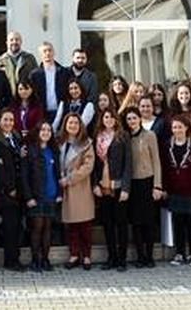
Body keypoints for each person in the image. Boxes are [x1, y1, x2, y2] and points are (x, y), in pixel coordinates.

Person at [92, 108, 131, 271]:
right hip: (103, 186)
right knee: (107, 224)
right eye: (106, 117)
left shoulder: (123, 136)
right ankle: (112, 257)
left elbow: (128, 163)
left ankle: (122, 259)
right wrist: (95, 184)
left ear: (116, 119)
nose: (108, 119)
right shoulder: (97, 137)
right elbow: (94, 164)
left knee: (121, 223)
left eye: (111, 117)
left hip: (118, 185)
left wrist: (126, 188)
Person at [122, 107, 162, 268]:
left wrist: (157, 185)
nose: (131, 121)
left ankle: (149, 256)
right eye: (129, 119)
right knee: (136, 222)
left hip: (148, 181)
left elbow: (156, 161)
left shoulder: (150, 135)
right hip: (132, 183)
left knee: (149, 221)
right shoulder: (125, 138)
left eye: (134, 118)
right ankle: (140, 256)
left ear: (139, 118)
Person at [163, 115, 191, 267]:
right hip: (174, 192)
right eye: (174, 127)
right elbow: (165, 168)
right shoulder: (167, 145)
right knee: (178, 225)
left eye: (180, 127)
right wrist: (165, 189)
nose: (177, 130)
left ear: (186, 128)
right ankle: (179, 253)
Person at [20, 122, 61, 272]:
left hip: (51, 195)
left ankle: (45, 259)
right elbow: (24, 176)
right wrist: (28, 197)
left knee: (48, 228)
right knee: (37, 228)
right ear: (37, 132)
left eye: (49, 130)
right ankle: (35, 260)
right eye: (42, 129)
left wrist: (59, 193)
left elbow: (57, 173)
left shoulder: (54, 150)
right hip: (36, 196)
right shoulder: (29, 150)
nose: (46, 132)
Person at [0, 109, 26, 271]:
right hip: (6, 190)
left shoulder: (16, 137)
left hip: (19, 188)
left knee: (17, 225)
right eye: (5, 119)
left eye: (11, 120)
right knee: (10, 226)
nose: (9, 123)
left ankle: (15, 258)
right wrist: (9, 188)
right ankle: (10, 261)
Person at [58, 112, 95, 270]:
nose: (72, 125)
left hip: (80, 187)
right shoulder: (59, 142)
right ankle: (74, 255)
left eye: (75, 123)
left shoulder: (86, 143)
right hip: (64, 189)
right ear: (65, 125)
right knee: (71, 225)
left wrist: (70, 179)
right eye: (70, 123)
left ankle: (86, 256)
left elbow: (88, 166)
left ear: (80, 126)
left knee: (84, 225)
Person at [29, 42, 70, 122]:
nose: (47, 53)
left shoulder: (64, 72)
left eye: (50, 50)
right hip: (42, 113)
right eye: (44, 51)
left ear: (54, 53)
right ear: (40, 54)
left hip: (62, 111)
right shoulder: (34, 75)